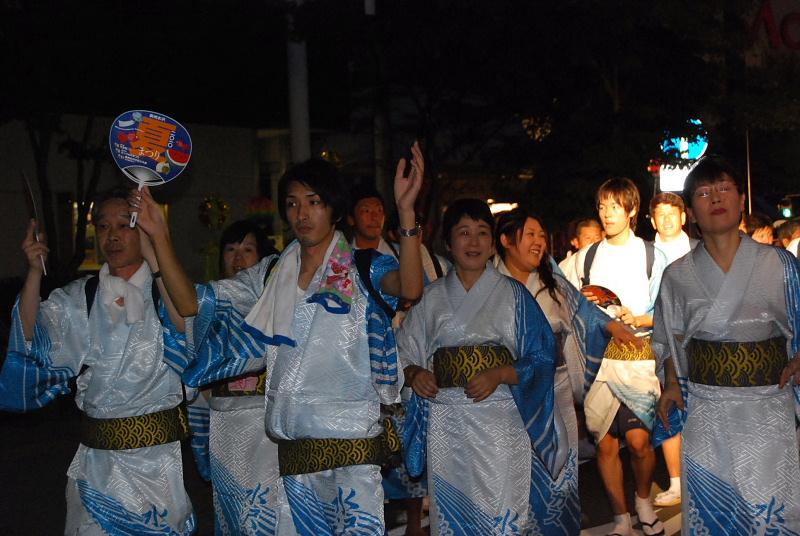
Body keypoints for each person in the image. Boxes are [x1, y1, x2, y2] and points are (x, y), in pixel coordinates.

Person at [143, 144, 425, 535]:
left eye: (313, 202)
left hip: (352, 447)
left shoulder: (362, 266)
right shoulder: (271, 273)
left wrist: (406, 213)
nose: (302, 213)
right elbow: (192, 303)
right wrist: (158, 236)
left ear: (335, 209)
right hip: (293, 449)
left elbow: (410, 286)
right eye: (292, 204)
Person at [0, 190, 198, 534]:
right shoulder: (81, 297)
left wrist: (157, 261)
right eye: (103, 226)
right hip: (97, 466)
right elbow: (32, 340)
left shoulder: (166, 290)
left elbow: (189, 326)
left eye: (125, 224)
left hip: (157, 464)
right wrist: (33, 273)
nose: (113, 235)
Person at [397, 199, 567, 535]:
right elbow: (404, 353)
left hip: (499, 420)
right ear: (447, 243)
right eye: (463, 233)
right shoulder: (431, 298)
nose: (473, 242)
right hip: (447, 422)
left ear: (492, 245)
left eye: (481, 233)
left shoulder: (515, 295)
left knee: (501, 511)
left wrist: (501, 373)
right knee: (453, 515)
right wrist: (415, 374)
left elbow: (543, 356)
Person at [654, 156, 800, 534]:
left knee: (768, 509)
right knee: (715, 509)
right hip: (707, 410)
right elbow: (668, 340)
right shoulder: (677, 276)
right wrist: (671, 383)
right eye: (703, 192)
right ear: (690, 211)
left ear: (741, 200)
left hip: (768, 406)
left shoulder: (781, 264)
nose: (715, 198)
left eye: (724, 188)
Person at [494, 207, 639, 535]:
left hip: (555, 386)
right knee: (516, 470)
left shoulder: (551, 277)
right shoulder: (490, 282)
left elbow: (584, 312)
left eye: (541, 236)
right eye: (529, 235)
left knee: (560, 470)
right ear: (505, 240)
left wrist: (611, 326)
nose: (538, 242)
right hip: (510, 391)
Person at [566, 178, 668, 536]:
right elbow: (565, 301)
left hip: (639, 356)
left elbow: (670, 309)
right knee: (605, 443)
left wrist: (637, 318)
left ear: (632, 210)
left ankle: (643, 500)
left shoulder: (653, 254)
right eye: (602, 206)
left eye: (614, 207)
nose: (607, 214)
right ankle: (621, 516)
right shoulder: (584, 258)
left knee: (640, 443)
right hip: (597, 361)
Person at [185, 219, 285, 535]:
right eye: (231, 249)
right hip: (225, 423)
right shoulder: (207, 306)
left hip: (267, 424)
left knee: (271, 509)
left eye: (248, 249)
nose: (238, 258)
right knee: (232, 508)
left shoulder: (277, 303)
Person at [647, 191, 698, 508]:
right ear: (651, 219)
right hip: (659, 344)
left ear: (684, 216)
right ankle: (677, 482)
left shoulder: (700, 249)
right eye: (660, 214)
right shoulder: (645, 254)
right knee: (668, 412)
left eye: (672, 213)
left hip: (696, 345)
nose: (666, 220)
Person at [348, 185, 397, 256]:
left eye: (379, 210)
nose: (374, 217)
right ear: (351, 219)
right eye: (367, 211)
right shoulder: (341, 259)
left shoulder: (401, 254)